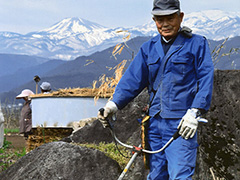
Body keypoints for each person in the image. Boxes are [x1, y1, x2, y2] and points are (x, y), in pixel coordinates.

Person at [98, 0, 214, 179]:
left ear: (180, 17)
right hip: (154, 124)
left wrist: (195, 111)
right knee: (156, 175)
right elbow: (132, 80)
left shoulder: (197, 44)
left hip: (181, 124)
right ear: (154, 20)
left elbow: (206, 80)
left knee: (180, 176)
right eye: (160, 19)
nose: (165, 24)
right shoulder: (149, 48)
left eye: (170, 17)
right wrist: (113, 104)